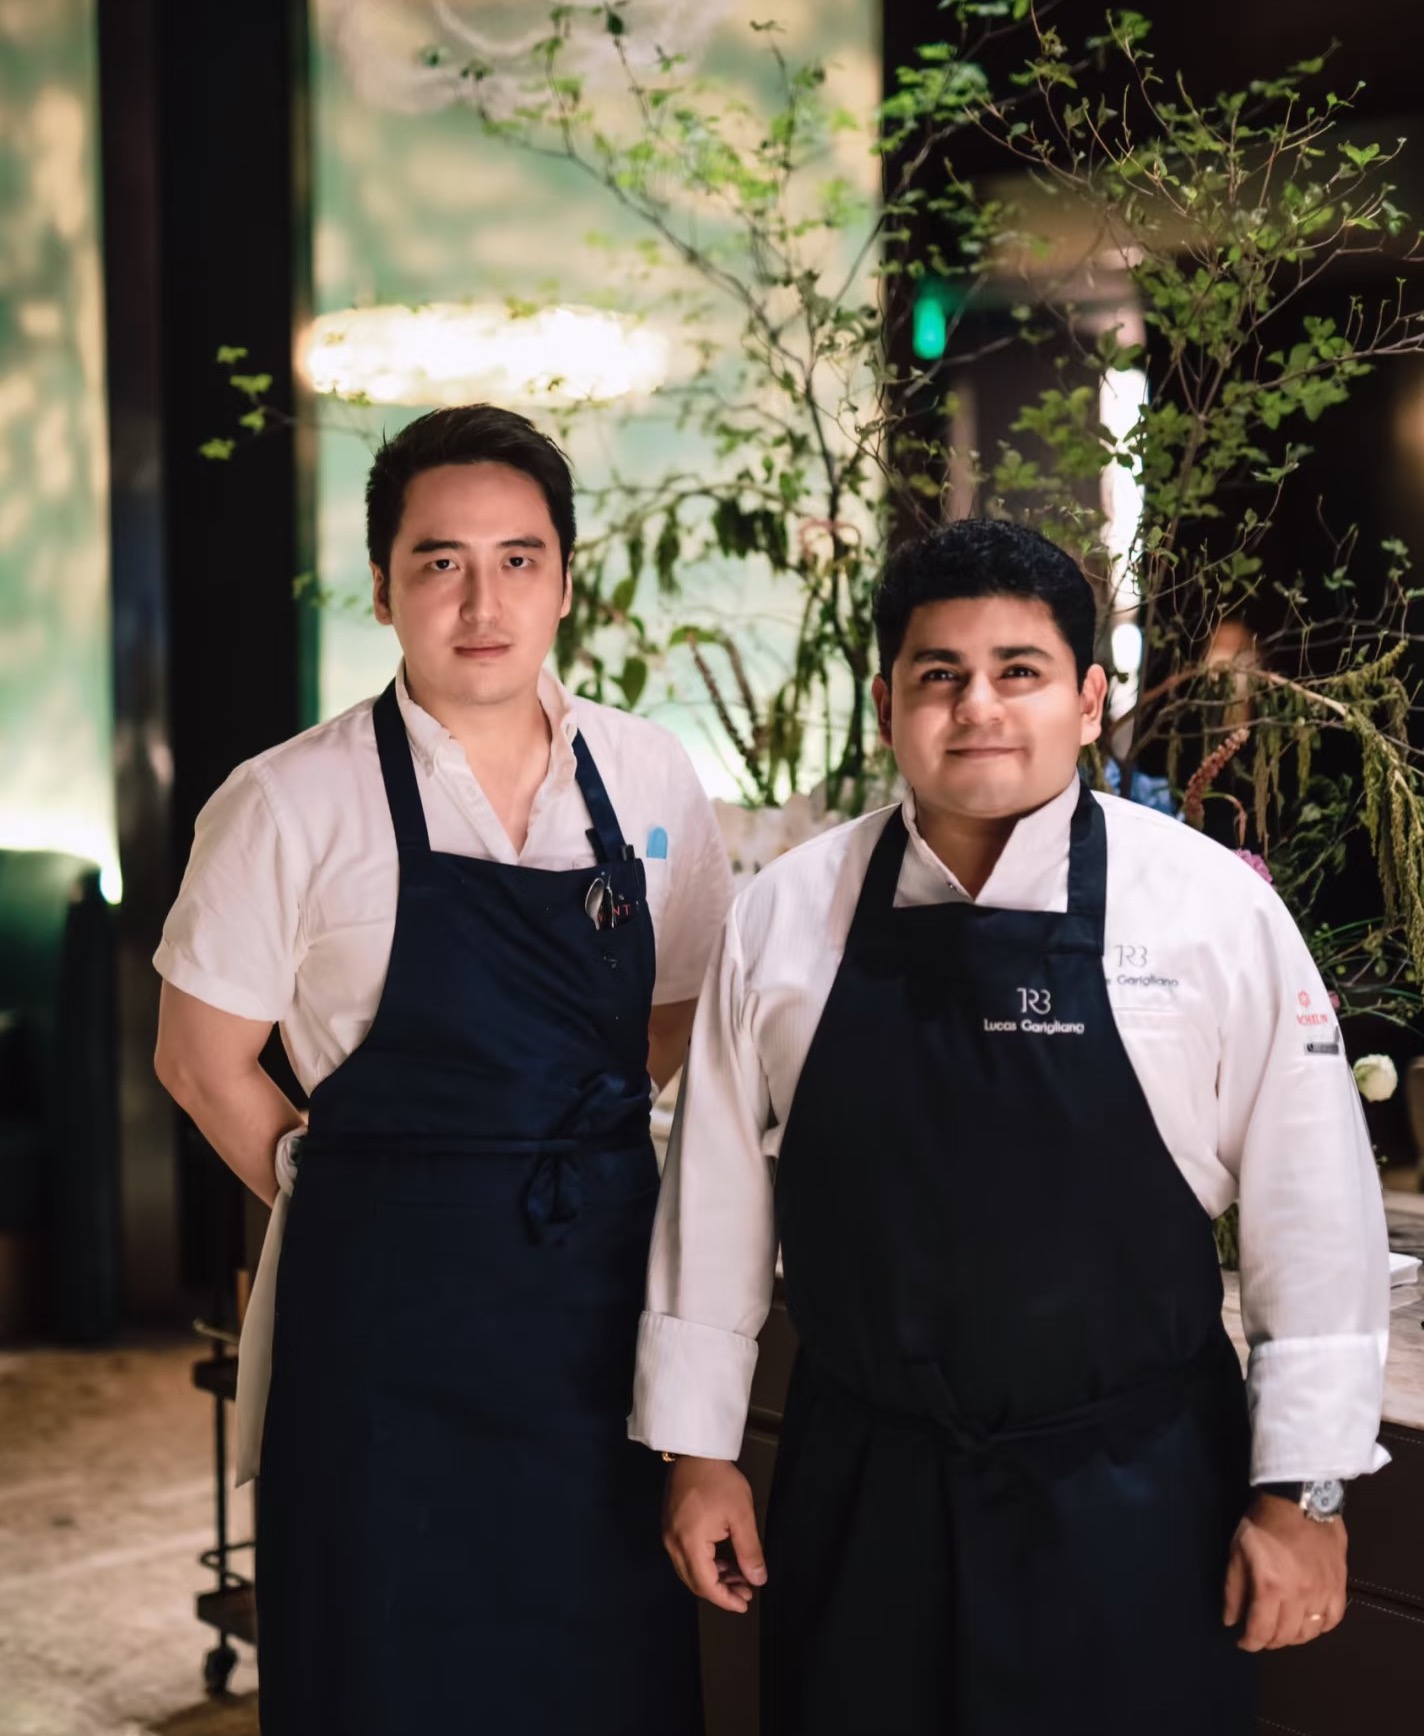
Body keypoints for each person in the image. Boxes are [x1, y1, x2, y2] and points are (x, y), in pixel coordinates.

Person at [631, 519, 1391, 1736]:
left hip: (1135, 1496)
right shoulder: (783, 917)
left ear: (1086, 701)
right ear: (886, 704)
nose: (976, 705)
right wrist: (697, 1451)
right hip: (863, 1492)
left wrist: (1302, 1493)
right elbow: (711, 1201)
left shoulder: (1209, 914)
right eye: (939, 673)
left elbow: (1315, 1219)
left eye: (1017, 670)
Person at [154, 404, 731, 1735]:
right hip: (383, 1326)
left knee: (599, 1673)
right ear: (382, 586)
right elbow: (199, 1057)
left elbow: (676, 1014)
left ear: (566, 580)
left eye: (519, 558)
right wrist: (358, 1186)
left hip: (599, 1310)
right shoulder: (287, 798)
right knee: (387, 1667)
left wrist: (556, 1141)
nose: (484, 601)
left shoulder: (645, 772)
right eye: (440, 561)